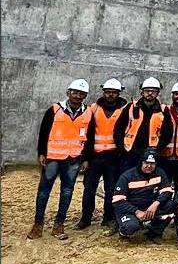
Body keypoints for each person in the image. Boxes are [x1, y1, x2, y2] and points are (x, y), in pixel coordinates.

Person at [28, 79, 92, 240]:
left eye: (81, 94)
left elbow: (89, 138)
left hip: (74, 159)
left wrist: (85, 158)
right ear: (68, 92)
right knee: (44, 191)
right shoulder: (54, 110)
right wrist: (41, 153)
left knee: (67, 192)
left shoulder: (88, 113)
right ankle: (38, 224)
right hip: (53, 158)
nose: (78, 96)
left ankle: (59, 224)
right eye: (75, 93)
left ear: (85, 96)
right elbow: (43, 132)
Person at [77, 78, 127, 232]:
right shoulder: (93, 108)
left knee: (111, 190)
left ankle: (108, 218)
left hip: (114, 158)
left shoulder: (126, 109)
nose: (111, 95)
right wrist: (85, 158)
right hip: (95, 157)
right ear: (103, 92)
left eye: (114, 92)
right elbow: (87, 134)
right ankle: (86, 218)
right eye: (108, 92)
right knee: (89, 189)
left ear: (119, 93)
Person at [111, 148, 175, 243]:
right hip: (130, 209)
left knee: (171, 205)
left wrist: (155, 204)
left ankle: (154, 234)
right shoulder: (127, 176)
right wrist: (136, 211)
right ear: (141, 162)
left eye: (152, 163)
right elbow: (117, 201)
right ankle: (123, 231)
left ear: (156, 164)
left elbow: (168, 191)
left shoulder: (160, 173)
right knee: (131, 227)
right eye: (146, 163)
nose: (149, 166)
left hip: (149, 207)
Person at [113, 77, 170, 172]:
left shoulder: (163, 110)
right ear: (142, 92)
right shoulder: (131, 107)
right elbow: (119, 129)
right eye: (147, 90)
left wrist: (158, 150)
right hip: (129, 153)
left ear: (158, 93)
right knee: (125, 180)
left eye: (153, 91)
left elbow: (167, 133)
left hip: (150, 154)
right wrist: (121, 149)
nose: (150, 93)